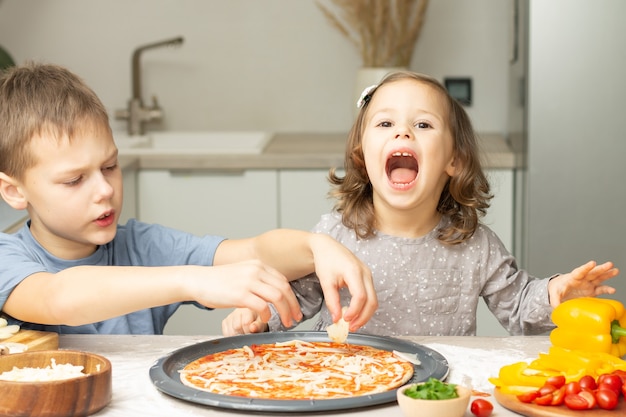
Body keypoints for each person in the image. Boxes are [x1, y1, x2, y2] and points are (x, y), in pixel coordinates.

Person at [222, 70, 619, 337]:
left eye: (423, 125)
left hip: (437, 396)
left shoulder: (476, 246)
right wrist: (259, 317)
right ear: (362, 156)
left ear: (454, 160)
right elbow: (297, 300)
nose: (403, 134)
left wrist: (557, 296)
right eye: (385, 124)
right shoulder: (334, 235)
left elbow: (517, 308)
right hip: (343, 385)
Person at [0, 62, 378, 335]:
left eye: (110, 166)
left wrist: (317, 247)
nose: (104, 190)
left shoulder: (142, 247)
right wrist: (192, 280)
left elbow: (256, 252)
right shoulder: (8, 258)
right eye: (73, 180)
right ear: (15, 191)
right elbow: (57, 298)